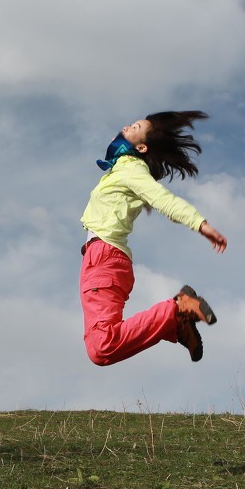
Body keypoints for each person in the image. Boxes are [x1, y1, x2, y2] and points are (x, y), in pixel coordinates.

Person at [79, 111, 227, 365]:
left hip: (104, 256)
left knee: (102, 347)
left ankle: (177, 310)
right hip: (103, 258)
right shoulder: (122, 170)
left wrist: (199, 224)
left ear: (142, 146)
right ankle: (177, 325)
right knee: (99, 347)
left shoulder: (131, 169)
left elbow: (162, 199)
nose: (125, 125)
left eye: (134, 127)